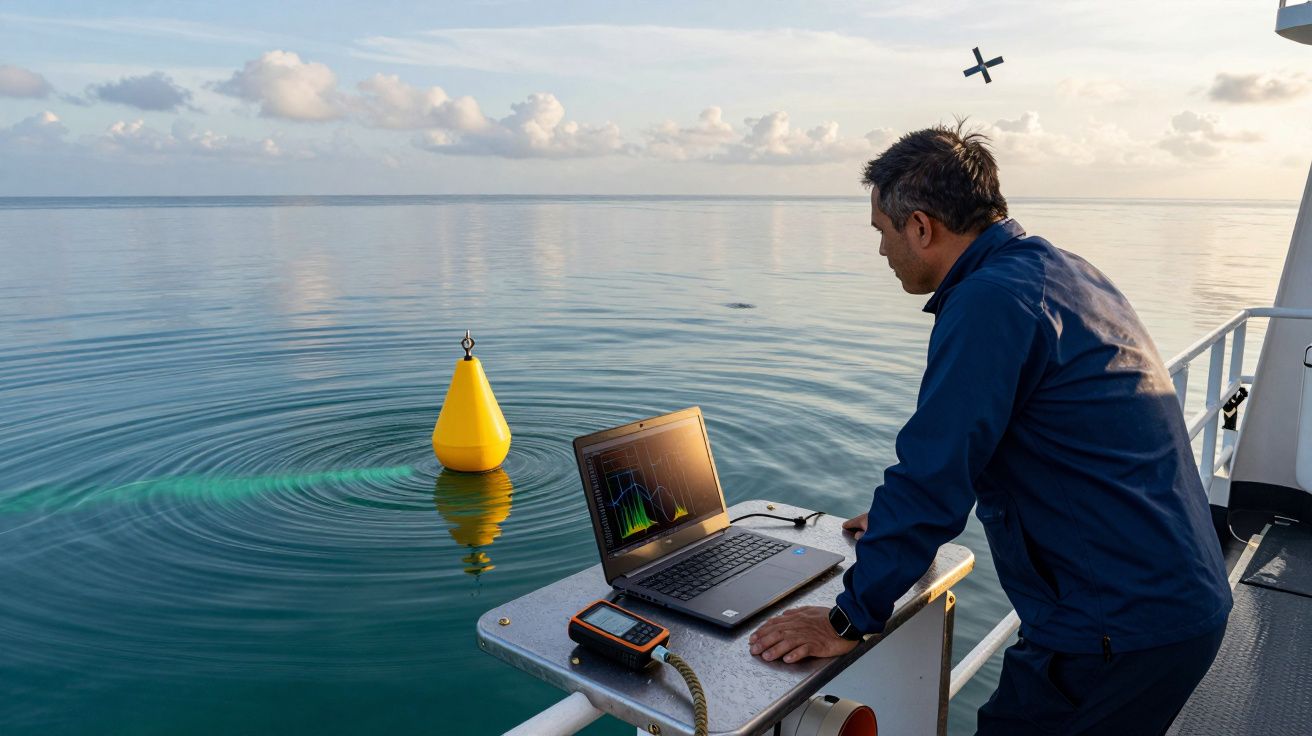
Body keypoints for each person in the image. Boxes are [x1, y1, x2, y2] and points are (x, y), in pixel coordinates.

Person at [746, 122, 1232, 735]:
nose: (880, 252)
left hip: (1117, 627)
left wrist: (846, 619)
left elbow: (933, 476)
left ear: (921, 227)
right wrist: (896, 528)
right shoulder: (1062, 271)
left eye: (882, 232)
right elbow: (1030, 439)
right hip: (1161, 595)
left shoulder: (989, 303)